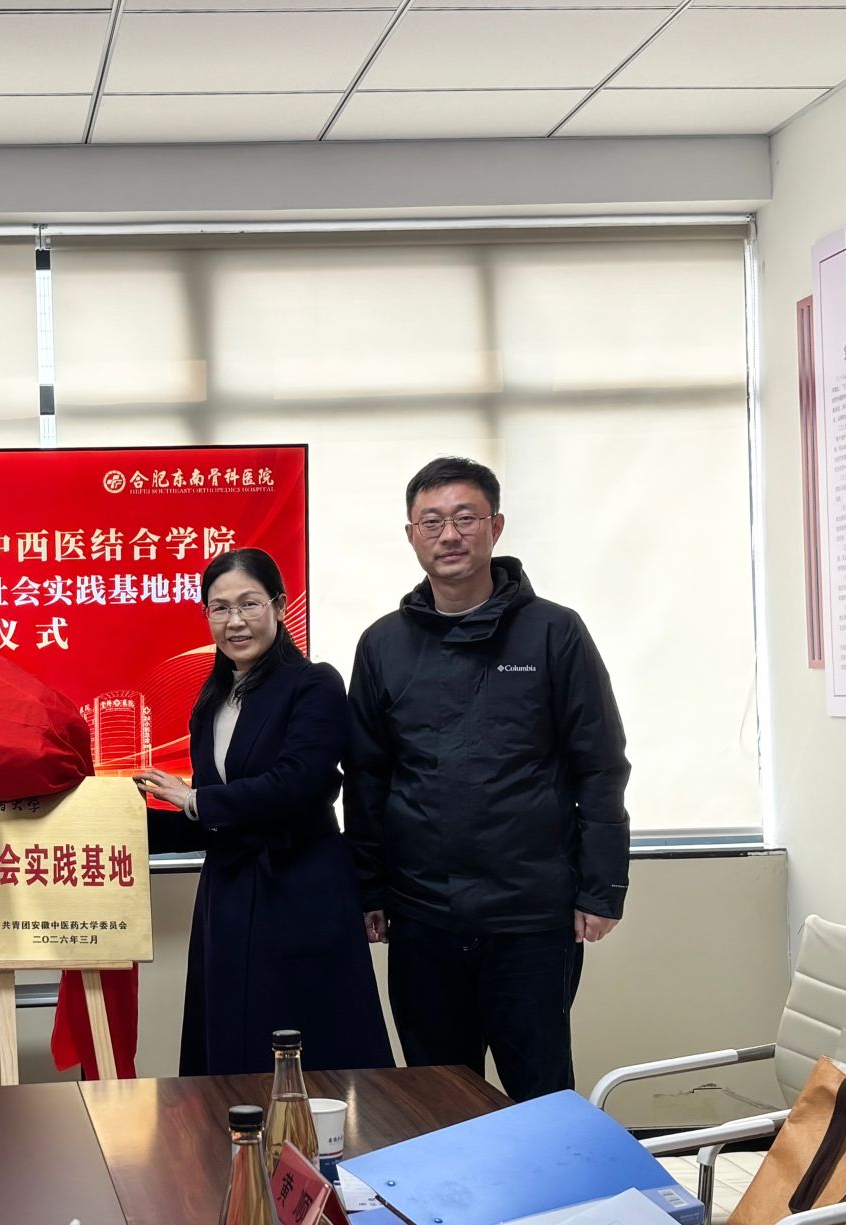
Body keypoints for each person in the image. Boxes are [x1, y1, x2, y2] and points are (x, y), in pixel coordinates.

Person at [346, 455, 630, 1101]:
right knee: (436, 1094)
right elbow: (365, 776)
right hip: (422, 912)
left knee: (540, 1092)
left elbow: (599, 763)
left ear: (495, 527)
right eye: (432, 521)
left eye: (465, 518)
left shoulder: (555, 631)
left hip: (530, 912)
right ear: (412, 535)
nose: (449, 535)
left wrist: (601, 886)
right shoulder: (383, 644)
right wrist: (368, 889)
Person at [133, 548, 393, 1077]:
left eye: (249, 604)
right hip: (228, 898)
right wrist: (120, 825)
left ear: (279, 606)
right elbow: (216, 820)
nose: (235, 621)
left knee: (316, 1059)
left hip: (301, 892)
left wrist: (194, 800)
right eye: (220, 608)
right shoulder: (211, 700)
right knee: (232, 1058)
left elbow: (298, 784)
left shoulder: (314, 683)